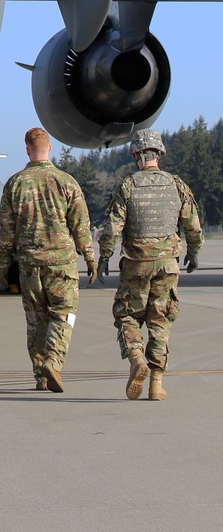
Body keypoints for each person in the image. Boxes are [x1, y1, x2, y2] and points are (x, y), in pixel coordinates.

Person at [97, 127, 203, 402]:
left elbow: (112, 228)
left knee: (127, 315)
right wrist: (194, 250)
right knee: (161, 320)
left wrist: (105, 255)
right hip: (167, 265)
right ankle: (156, 382)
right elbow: (192, 223)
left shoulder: (129, 185)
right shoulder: (176, 185)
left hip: (136, 264)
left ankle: (135, 357)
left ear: (136, 155)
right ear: (159, 154)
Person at [0, 126, 97, 393]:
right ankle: (54, 361)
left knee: (36, 320)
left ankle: (40, 375)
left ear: (27, 150)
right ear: (49, 148)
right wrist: (89, 256)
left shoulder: (15, 184)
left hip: (30, 265)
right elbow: (80, 225)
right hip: (61, 263)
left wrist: (4, 266)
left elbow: (7, 232)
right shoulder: (66, 182)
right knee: (65, 315)